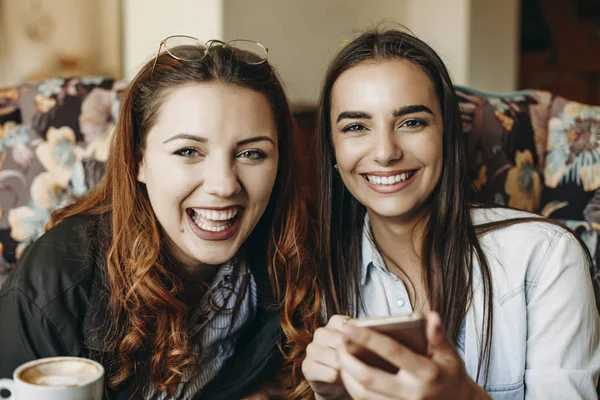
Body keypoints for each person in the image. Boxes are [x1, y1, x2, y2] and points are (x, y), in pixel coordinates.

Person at [0, 36, 319, 400]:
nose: (224, 185)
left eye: (252, 153)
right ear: (138, 161)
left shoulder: (293, 253)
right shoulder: (55, 282)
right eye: (188, 151)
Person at [300, 28, 600, 399]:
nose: (385, 152)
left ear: (446, 133)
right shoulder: (310, 277)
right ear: (332, 150)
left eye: (412, 122)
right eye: (356, 127)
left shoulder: (545, 257)